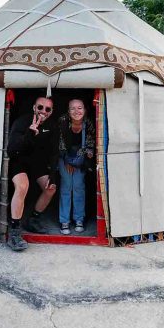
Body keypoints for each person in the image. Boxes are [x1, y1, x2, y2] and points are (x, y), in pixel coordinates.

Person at [4, 96, 59, 251]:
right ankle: (14, 232)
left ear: (51, 111)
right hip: (19, 160)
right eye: (40, 107)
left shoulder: (52, 126)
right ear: (34, 107)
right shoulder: (23, 121)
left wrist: (52, 174)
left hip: (37, 163)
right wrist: (29, 134)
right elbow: (12, 149)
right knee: (22, 186)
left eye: (48, 109)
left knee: (51, 188)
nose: (43, 111)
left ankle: (33, 219)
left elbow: (55, 152)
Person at [56, 99, 95, 235]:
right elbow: (59, 143)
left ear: (84, 110)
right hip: (64, 157)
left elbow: (90, 145)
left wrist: (80, 159)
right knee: (66, 186)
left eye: (80, 108)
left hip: (80, 159)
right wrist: (68, 161)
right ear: (68, 111)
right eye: (72, 108)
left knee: (79, 186)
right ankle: (64, 220)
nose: (76, 111)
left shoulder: (88, 123)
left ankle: (79, 219)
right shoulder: (63, 121)